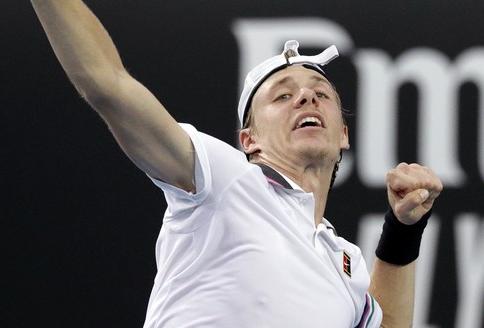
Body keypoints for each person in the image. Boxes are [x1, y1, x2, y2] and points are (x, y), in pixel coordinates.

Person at [30, 1, 443, 327]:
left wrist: (403, 231)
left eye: (321, 92)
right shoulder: (223, 179)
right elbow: (109, 85)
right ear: (250, 141)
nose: (306, 97)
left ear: (343, 136)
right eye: (283, 96)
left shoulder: (343, 260)